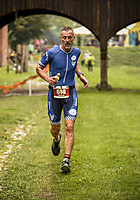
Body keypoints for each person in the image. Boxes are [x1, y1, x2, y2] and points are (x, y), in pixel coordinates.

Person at [36, 26, 88, 173]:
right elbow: (38, 68)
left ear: (73, 38)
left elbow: (75, 63)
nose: (67, 40)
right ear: (60, 38)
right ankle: (57, 139)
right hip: (54, 95)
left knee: (70, 126)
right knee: (55, 128)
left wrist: (80, 75)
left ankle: (66, 160)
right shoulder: (52, 52)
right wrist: (47, 79)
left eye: (69, 37)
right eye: (64, 37)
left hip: (70, 93)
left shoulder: (76, 52)